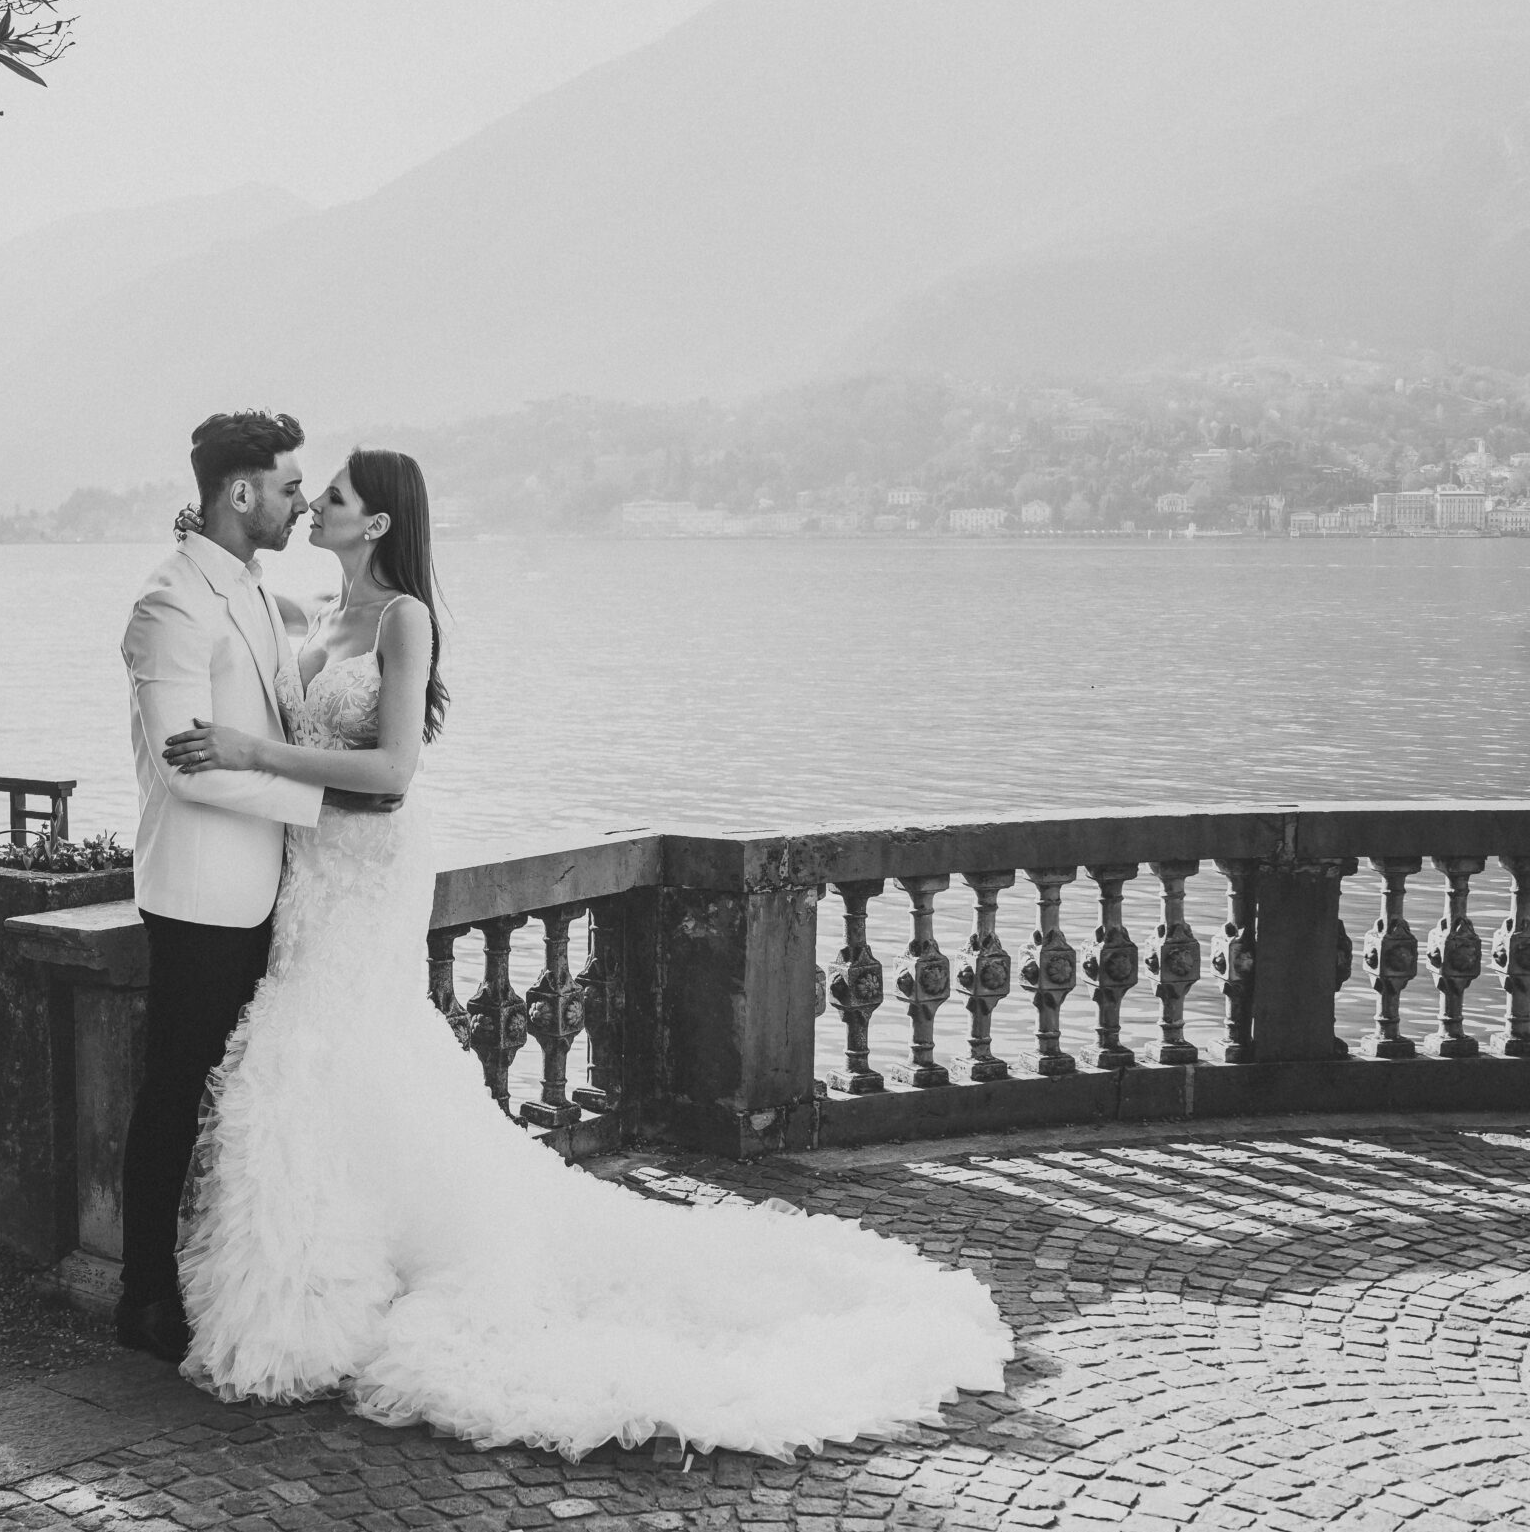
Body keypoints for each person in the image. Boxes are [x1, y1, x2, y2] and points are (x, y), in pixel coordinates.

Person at [157, 447, 1015, 1459]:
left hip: (368, 867)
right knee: (319, 1065)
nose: (314, 507)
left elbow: (390, 772)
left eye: (332, 496)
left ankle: (331, 1300)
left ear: (377, 521)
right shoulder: (309, 617)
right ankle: (335, 1279)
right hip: (309, 873)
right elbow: (232, 622)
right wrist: (198, 551)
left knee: (334, 1045)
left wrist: (252, 752)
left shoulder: (402, 621)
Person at [115, 410, 397, 1364]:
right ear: (240, 493)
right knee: (173, 1092)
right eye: (287, 486)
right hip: (200, 891)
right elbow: (187, 763)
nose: (300, 501)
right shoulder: (170, 605)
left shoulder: (248, 587)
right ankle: (145, 1295)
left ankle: (222, 1278)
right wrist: (324, 812)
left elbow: (286, 707)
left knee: (236, 1102)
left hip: (272, 886)